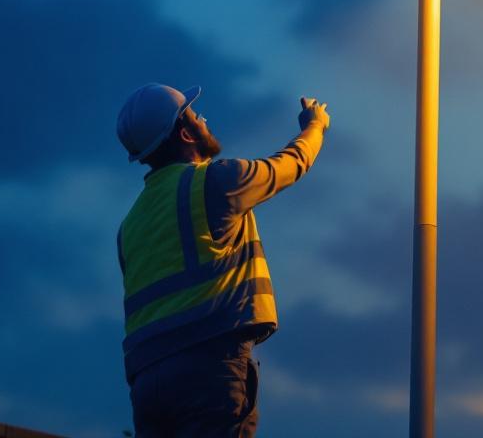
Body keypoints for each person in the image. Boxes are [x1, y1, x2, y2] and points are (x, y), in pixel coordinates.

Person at [114, 83, 330, 437]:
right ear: (185, 132)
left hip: (147, 385)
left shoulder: (129, 226)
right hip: (209, 367)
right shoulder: (216, 182)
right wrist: (314, 125)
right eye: (194, 115)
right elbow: (290, 165)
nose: (203, 118)